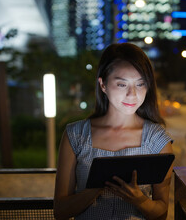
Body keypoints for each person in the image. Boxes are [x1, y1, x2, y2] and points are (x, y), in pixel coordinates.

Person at [54, 43, 174, 220]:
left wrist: (139, 199)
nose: (132, 94)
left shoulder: (157, 140)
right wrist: (95, 188)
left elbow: (162, 213)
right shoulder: (76, 135)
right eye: (121, 84)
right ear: (103, 84)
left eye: (140, 84)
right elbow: (60, 211)